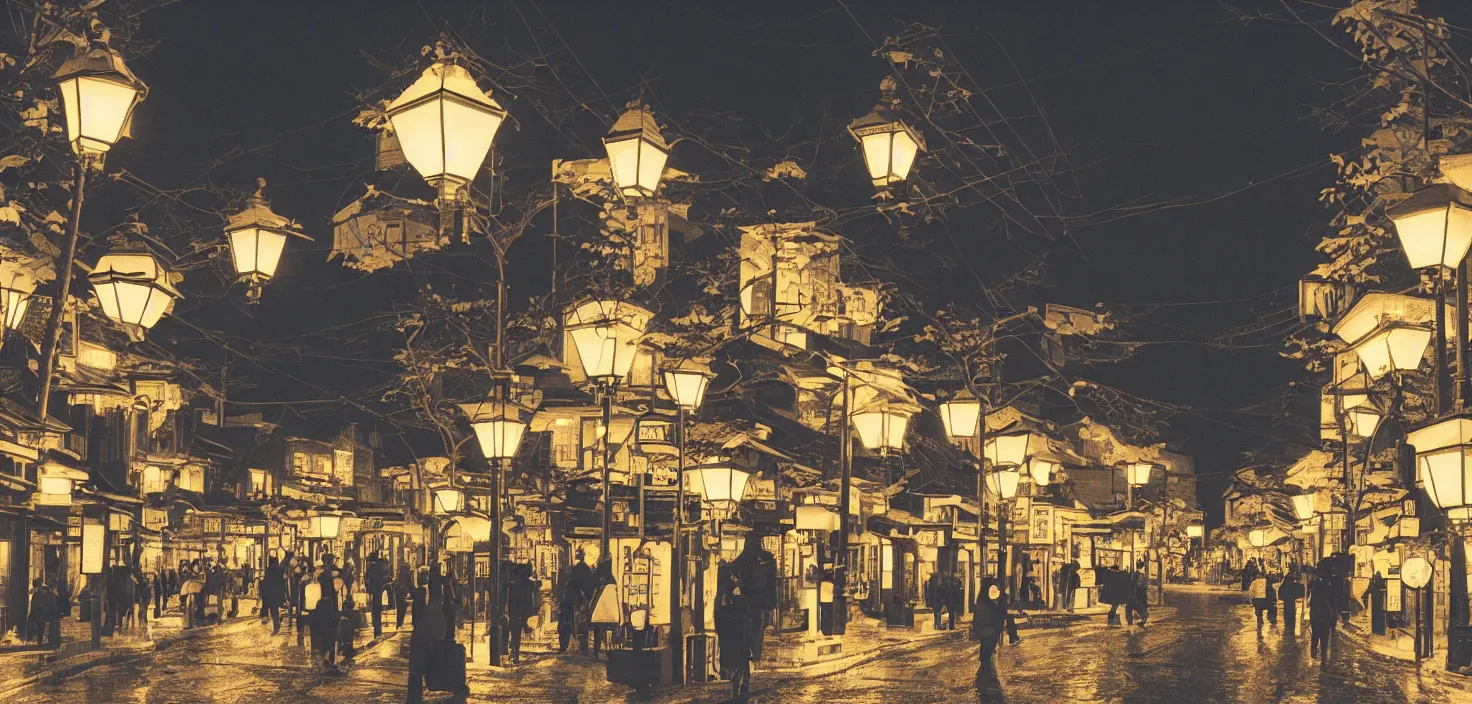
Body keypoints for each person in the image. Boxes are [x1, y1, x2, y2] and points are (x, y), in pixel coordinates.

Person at [730, 533, 778, 661]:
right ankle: (755, 652)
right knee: (758, 626)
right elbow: (773, 581)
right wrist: (773, 600)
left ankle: (749, 651)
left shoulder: (744, 558)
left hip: (748, 598)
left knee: (749, 625)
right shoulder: (768, 558)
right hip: (760, 598)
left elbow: (734, 567)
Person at [406, 568, 446, 704]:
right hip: (425, 642)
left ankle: (414, 699)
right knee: (417, 674)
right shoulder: (436, 607)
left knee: (415, 675)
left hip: (421, 641)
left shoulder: (424, 598)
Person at [713, 565, 751, 699]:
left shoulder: (720, 595)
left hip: (728, 634)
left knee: (734, 663)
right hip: (738, 632)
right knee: (741, 662)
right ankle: (741, 687)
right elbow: (745, 611)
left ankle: (736, 689)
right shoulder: (736, 592)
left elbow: (718, 616)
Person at [506, 563, 540, 663]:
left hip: (515, 612)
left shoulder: (514, 584)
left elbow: (511, 600)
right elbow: (534, 594)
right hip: (525, 612)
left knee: (515, 634)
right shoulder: (529, 584)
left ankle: (515, 654)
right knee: (523, 631)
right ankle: (515, 653)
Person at [1308, 563, 1337, 659]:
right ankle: (1323, 658)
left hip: (1316, 616)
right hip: (1324, 616)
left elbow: (1311, 603)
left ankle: (1314, 653)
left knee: (1315, 635)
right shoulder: (1328, 589)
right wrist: (1333, 621)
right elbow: (1332, 605)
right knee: (1323, 637)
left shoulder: (1314, 588)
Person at [364, 552, 390, 638]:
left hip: (374, 590)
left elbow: (367, 578)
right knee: (378, 611)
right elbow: (385, 577)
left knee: (375, 611)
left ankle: (376, 631)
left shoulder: (370, 568)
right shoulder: (381, 567)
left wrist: (368, 588)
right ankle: (378, 632)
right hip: (380, 589)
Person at [261, 556, 286, 634]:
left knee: (274, 610)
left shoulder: (268, 570)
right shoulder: (280, 569)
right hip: (280, 593)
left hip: (271, 594)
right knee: (280, 607)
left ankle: (276, 626)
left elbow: (265, 583)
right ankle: (279, 621)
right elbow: (283, 581)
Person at [27, 579, 54, 646]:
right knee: (42, 627)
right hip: (44, 613)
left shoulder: (36, 594)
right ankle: (41, 641)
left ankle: (38, 641)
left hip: (38, 613)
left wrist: (31, 615)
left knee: (39, 627)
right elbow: (51, 604)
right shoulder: (48, 593)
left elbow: (34, 605)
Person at [1279, 570, 1304, 638]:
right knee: (1292, 612)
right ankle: (1291, 627)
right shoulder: (1293, 584)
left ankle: (1288, 626)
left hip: (1287, 600)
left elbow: (1280, 590)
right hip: (1291, 599)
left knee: (1287, 612)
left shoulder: (1285, 583)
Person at [395, 563, 414, 630]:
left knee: (399, 609)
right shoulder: (408, 575)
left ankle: (399, 624)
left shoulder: (399, 574)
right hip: (404, 593)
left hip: (398, 592)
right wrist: (411, 592)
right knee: (403, 609)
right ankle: (400, 623)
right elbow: (410, 584)